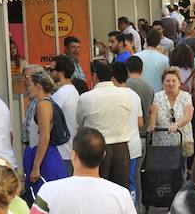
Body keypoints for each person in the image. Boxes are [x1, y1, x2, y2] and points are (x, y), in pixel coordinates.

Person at [76, 59, 133, 190]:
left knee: (97, 190)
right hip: (121, 146)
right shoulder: (125, 95)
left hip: (96, 147)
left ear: (94, 75)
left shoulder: (87, 97)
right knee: (121, 190)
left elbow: (79, 121)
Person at [23, 71, 68, 202]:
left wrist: (36, 167)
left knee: (42, 203)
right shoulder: (48, 102)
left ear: (38, 86)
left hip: (44, 158)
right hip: (47, 155)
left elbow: (44, 137)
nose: (28, 88)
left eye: (30, 85)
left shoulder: (43, 105)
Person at [111, 62, 144, 206]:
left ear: (112, 78)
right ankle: (134, 207)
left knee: (116, 180)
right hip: (134, 144)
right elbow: (140, 122)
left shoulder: (113, 95)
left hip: (117, 145)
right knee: (131, 179)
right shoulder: (134, 95)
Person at [149, 67, 195, 163]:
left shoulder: (186, 96)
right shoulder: (158, 96)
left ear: (179, 83)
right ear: (163, 83)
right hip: (162, 142)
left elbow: (188, 115)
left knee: (180, 170)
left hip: (182, 141)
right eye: (167, 81)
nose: (171, 83)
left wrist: (177, 125)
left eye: (174, 81)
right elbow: (154, 112)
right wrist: (152, 124)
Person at [51, 56, 80, 176]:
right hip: (69, 149)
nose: (50, 73)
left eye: (52, 69)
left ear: (61, 72)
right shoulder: (72, 91)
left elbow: (47, 116)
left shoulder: (62, 94)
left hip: (62, 151)